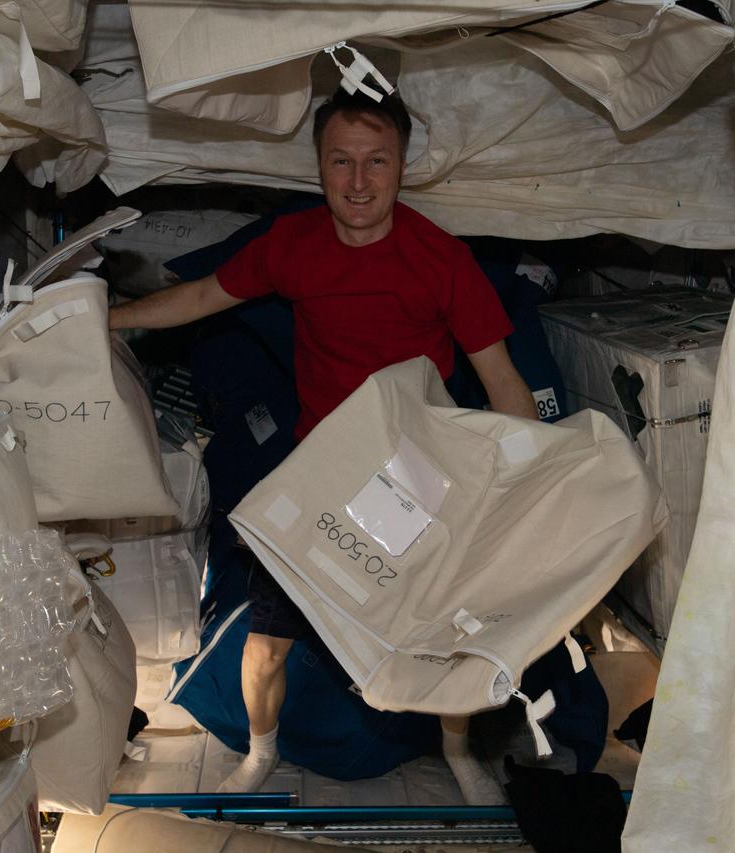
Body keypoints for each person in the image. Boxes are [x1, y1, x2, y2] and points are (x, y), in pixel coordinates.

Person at [110, 87, 538, 804]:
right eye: (342, 161)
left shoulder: (441, 259)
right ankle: (263, 748)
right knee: (268, 641)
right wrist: (109, 318)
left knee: (441, 641)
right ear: (317, 165)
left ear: (403, 166)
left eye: (377, 161)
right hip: (321, 475)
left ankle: (457, 749)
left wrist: (526, 483)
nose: (360, 181)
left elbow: (505, 385)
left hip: (416, 478)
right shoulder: (294, 244)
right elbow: (200, 297)